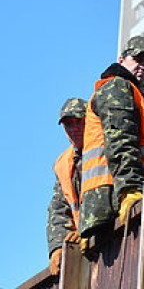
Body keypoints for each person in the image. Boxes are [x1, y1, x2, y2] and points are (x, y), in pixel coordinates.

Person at [79, 35, 144, 241]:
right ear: (121, 60)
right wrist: (130, 190)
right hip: (117, 200)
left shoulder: (138, 96)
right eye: (138, 59)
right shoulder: (118, 87)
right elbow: (121, 141)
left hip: (117, 202)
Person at [47, 98, 86, 275]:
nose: (74, 128)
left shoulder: (105, 148)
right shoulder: (63, 163)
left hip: (107, 232)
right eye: (68, 124)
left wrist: (88, 227)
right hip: (83, 244)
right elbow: (58, 209)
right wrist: (57, 247)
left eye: (79, 122)